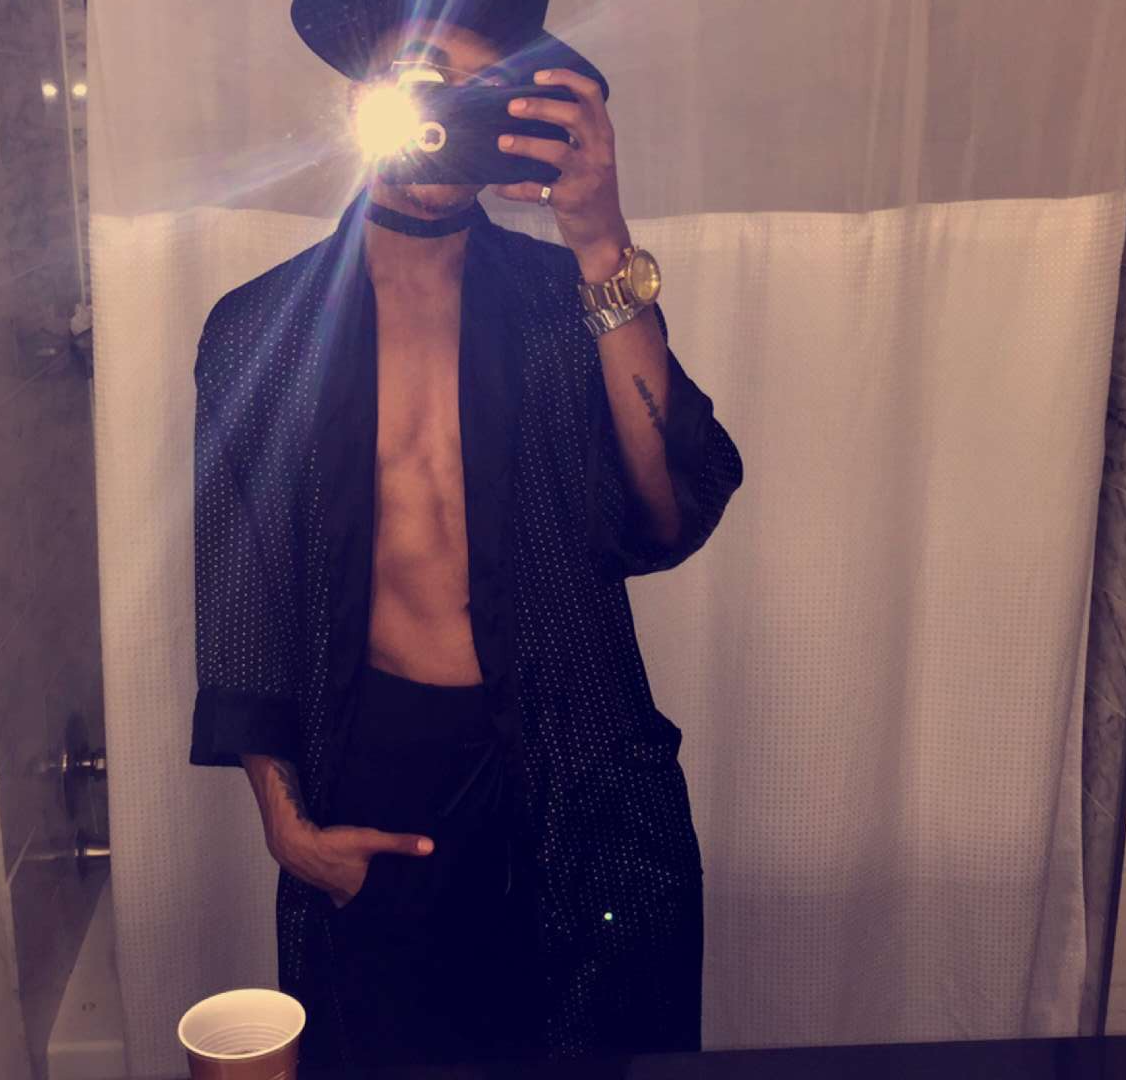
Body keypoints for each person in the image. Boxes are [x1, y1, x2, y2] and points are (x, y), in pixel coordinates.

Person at [189, 0, 743, 1068]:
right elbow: (242, 590)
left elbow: (672, 512)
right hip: (376, 781)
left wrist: (600, 239)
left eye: (477, 90)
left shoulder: (567, 304)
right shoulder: (258, 330)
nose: (441, 112)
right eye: (419, 77)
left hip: (584, 780)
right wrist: (285, 823)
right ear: (363, 95)